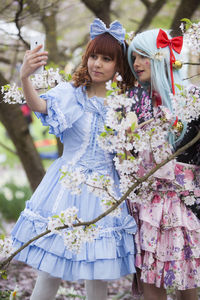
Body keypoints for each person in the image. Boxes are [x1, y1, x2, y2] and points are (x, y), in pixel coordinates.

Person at [11, 18, 137, 300]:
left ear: (118, 65)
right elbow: (39, 106)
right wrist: (25, 77)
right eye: (93, 56)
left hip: (105, 194)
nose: (97, 63)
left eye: (107, 58)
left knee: (97, 276)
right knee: (50, 271)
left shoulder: (125, 105)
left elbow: (129, 155)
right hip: (65, 188)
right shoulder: (71, 94)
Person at [127, 28, 200, 300]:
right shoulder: (136, 101)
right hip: (147, 207)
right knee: (150, 282)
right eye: (134, 57)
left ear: (161, 58)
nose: (136, 64)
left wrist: (174, 122)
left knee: (188, 284)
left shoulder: (191, 98)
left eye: (143, 56)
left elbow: (191, 146)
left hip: (185, 203)